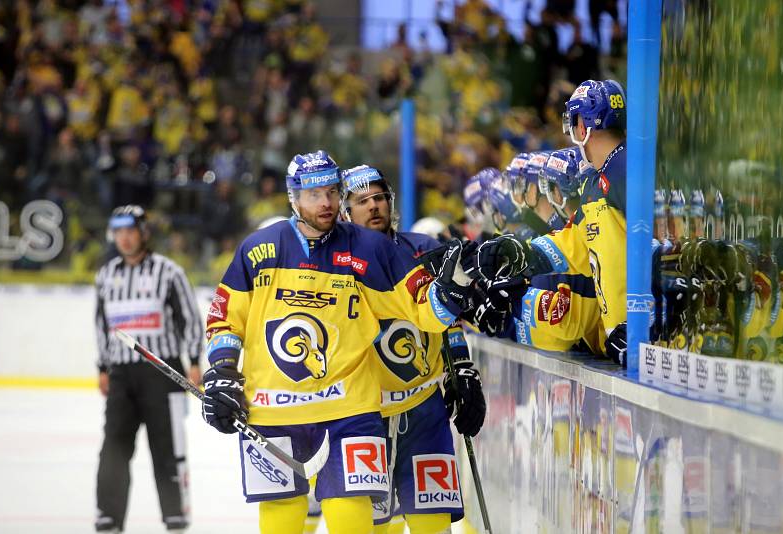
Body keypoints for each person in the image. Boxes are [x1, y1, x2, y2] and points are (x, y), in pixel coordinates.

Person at [199, 151, 472, 534]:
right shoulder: (258, 249)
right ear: (293, 198)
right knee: (281, 523)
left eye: (331, 192)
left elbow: (422, 310)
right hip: (273, 412)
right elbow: (224, 319)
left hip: (349, 412)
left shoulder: (370, 249)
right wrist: (223, 372)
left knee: (354, 522)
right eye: (313, 195)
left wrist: (454, 290)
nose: (325, 203)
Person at [340, 164, 486, 533]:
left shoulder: (425, 250)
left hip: (423, 409)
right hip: (361, 414)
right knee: (370, 526)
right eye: (362, 201)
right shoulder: (333, 263)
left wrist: (462, 371)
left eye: (379, 198)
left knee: (432, 524)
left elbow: (449, 319)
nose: (373, 206)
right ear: (346, 211)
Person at [475, 79, 629, 366]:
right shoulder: (599, 182)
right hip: (624, 338)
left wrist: (643, 318)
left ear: (582, 126)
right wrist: (519, 256)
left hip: (648, 334)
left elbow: (667, 238)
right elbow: (575, 246)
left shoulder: (622, 168)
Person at [94, 205, 203, 533]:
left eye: (130, 231)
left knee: (168, 448)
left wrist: (195, 361)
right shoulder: (106, 275)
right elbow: (101, 325)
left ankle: (175, 514)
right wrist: (102, 365)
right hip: (122, 375)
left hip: (163, 373)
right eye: (118, 232)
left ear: (143, 232)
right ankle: (108, 516)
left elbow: (190, 318)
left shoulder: (168, 272)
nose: (124, 239)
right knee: (113, 446)